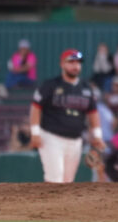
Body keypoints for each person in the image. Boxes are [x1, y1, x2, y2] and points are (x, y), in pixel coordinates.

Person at [29, 49, 106, 183]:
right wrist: (35, 133)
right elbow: (36, 108)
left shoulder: (86, 88)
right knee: (55, 179)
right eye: (71, 62)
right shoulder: (50, 85)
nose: (75, 66)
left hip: (75, 140)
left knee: (68, 181)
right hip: (51, 137)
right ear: (62, 64)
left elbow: (93, 113)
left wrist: (98, 136)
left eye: (78, 62)